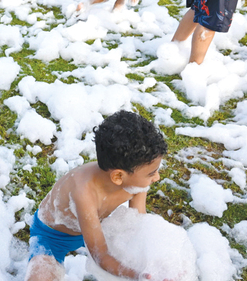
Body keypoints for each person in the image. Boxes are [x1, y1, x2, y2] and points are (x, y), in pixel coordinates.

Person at [25, 111, 168, 281]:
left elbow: (138, 224)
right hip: (54, 237)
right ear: (118, 176)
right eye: (152, 173)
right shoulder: (84, 193)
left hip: (99, 228)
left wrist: (152, 267)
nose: (157, 177)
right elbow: (101, 256)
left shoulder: (135, 179)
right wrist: (138, 275)